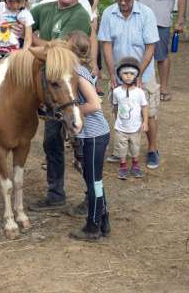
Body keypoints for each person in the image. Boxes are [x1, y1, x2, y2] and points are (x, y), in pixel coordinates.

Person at [27, 0, 92, 212]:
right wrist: (32, 37)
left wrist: (37, 41)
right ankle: (56, 193)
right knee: (51, 141)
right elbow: (24, 24)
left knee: (81, 143)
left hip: (72, 86)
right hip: (53, 86)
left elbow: (63, 52)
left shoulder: (81, 16)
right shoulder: (45, 8)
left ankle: (91, 196)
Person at [99, 0, 161, 169]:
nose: (123, 3)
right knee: (121, 113)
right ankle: (121, 151)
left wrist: (139, 75)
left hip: (145, 74)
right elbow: (107, 46)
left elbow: (151, 47)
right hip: (119, 75)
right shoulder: (109, 14)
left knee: (148, 113)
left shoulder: (147, 14)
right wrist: (111, 75)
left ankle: (152, 149)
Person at [67, 30, 111, 242]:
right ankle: (103, 219)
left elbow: (94, 104)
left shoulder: (78, 72)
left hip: (94, 134)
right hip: (94, 134)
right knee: (94, 179)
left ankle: (93, 226)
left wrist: (72, 111)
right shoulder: (79, 70)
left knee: (93, 181)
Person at [139, 0, 188, 102]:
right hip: (141, 15)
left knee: (161, 55)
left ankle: (164, 88)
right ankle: (139, 83)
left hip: (161, 18)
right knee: (139, 52)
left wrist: (180, 20)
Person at [112, 57, 149, 179]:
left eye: (131, 73)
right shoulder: (116, 92)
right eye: (125, 73)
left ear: (136, 75)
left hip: (135, 127)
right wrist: (116, 119)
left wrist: (145, 122)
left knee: (135, 147)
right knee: (121, 148)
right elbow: (116, 107)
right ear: (120, 75)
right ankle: (123, 166)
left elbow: (144, 106)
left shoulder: (139, 92)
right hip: (121, 127)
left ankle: (135, 165)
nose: (128, 76)